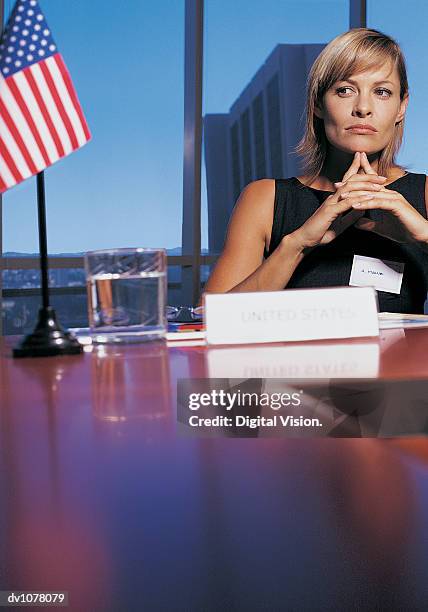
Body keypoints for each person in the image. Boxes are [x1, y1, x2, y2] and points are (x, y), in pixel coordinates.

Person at [203, 28, 428, 313]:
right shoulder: (264, 199)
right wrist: (298, 243)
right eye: (345, 90)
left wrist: (423, 234)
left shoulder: (425, 193)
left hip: (405, 359)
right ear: (319, 103)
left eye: (382, 92)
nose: (363, 108)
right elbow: (208, 321)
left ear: (401, 107)